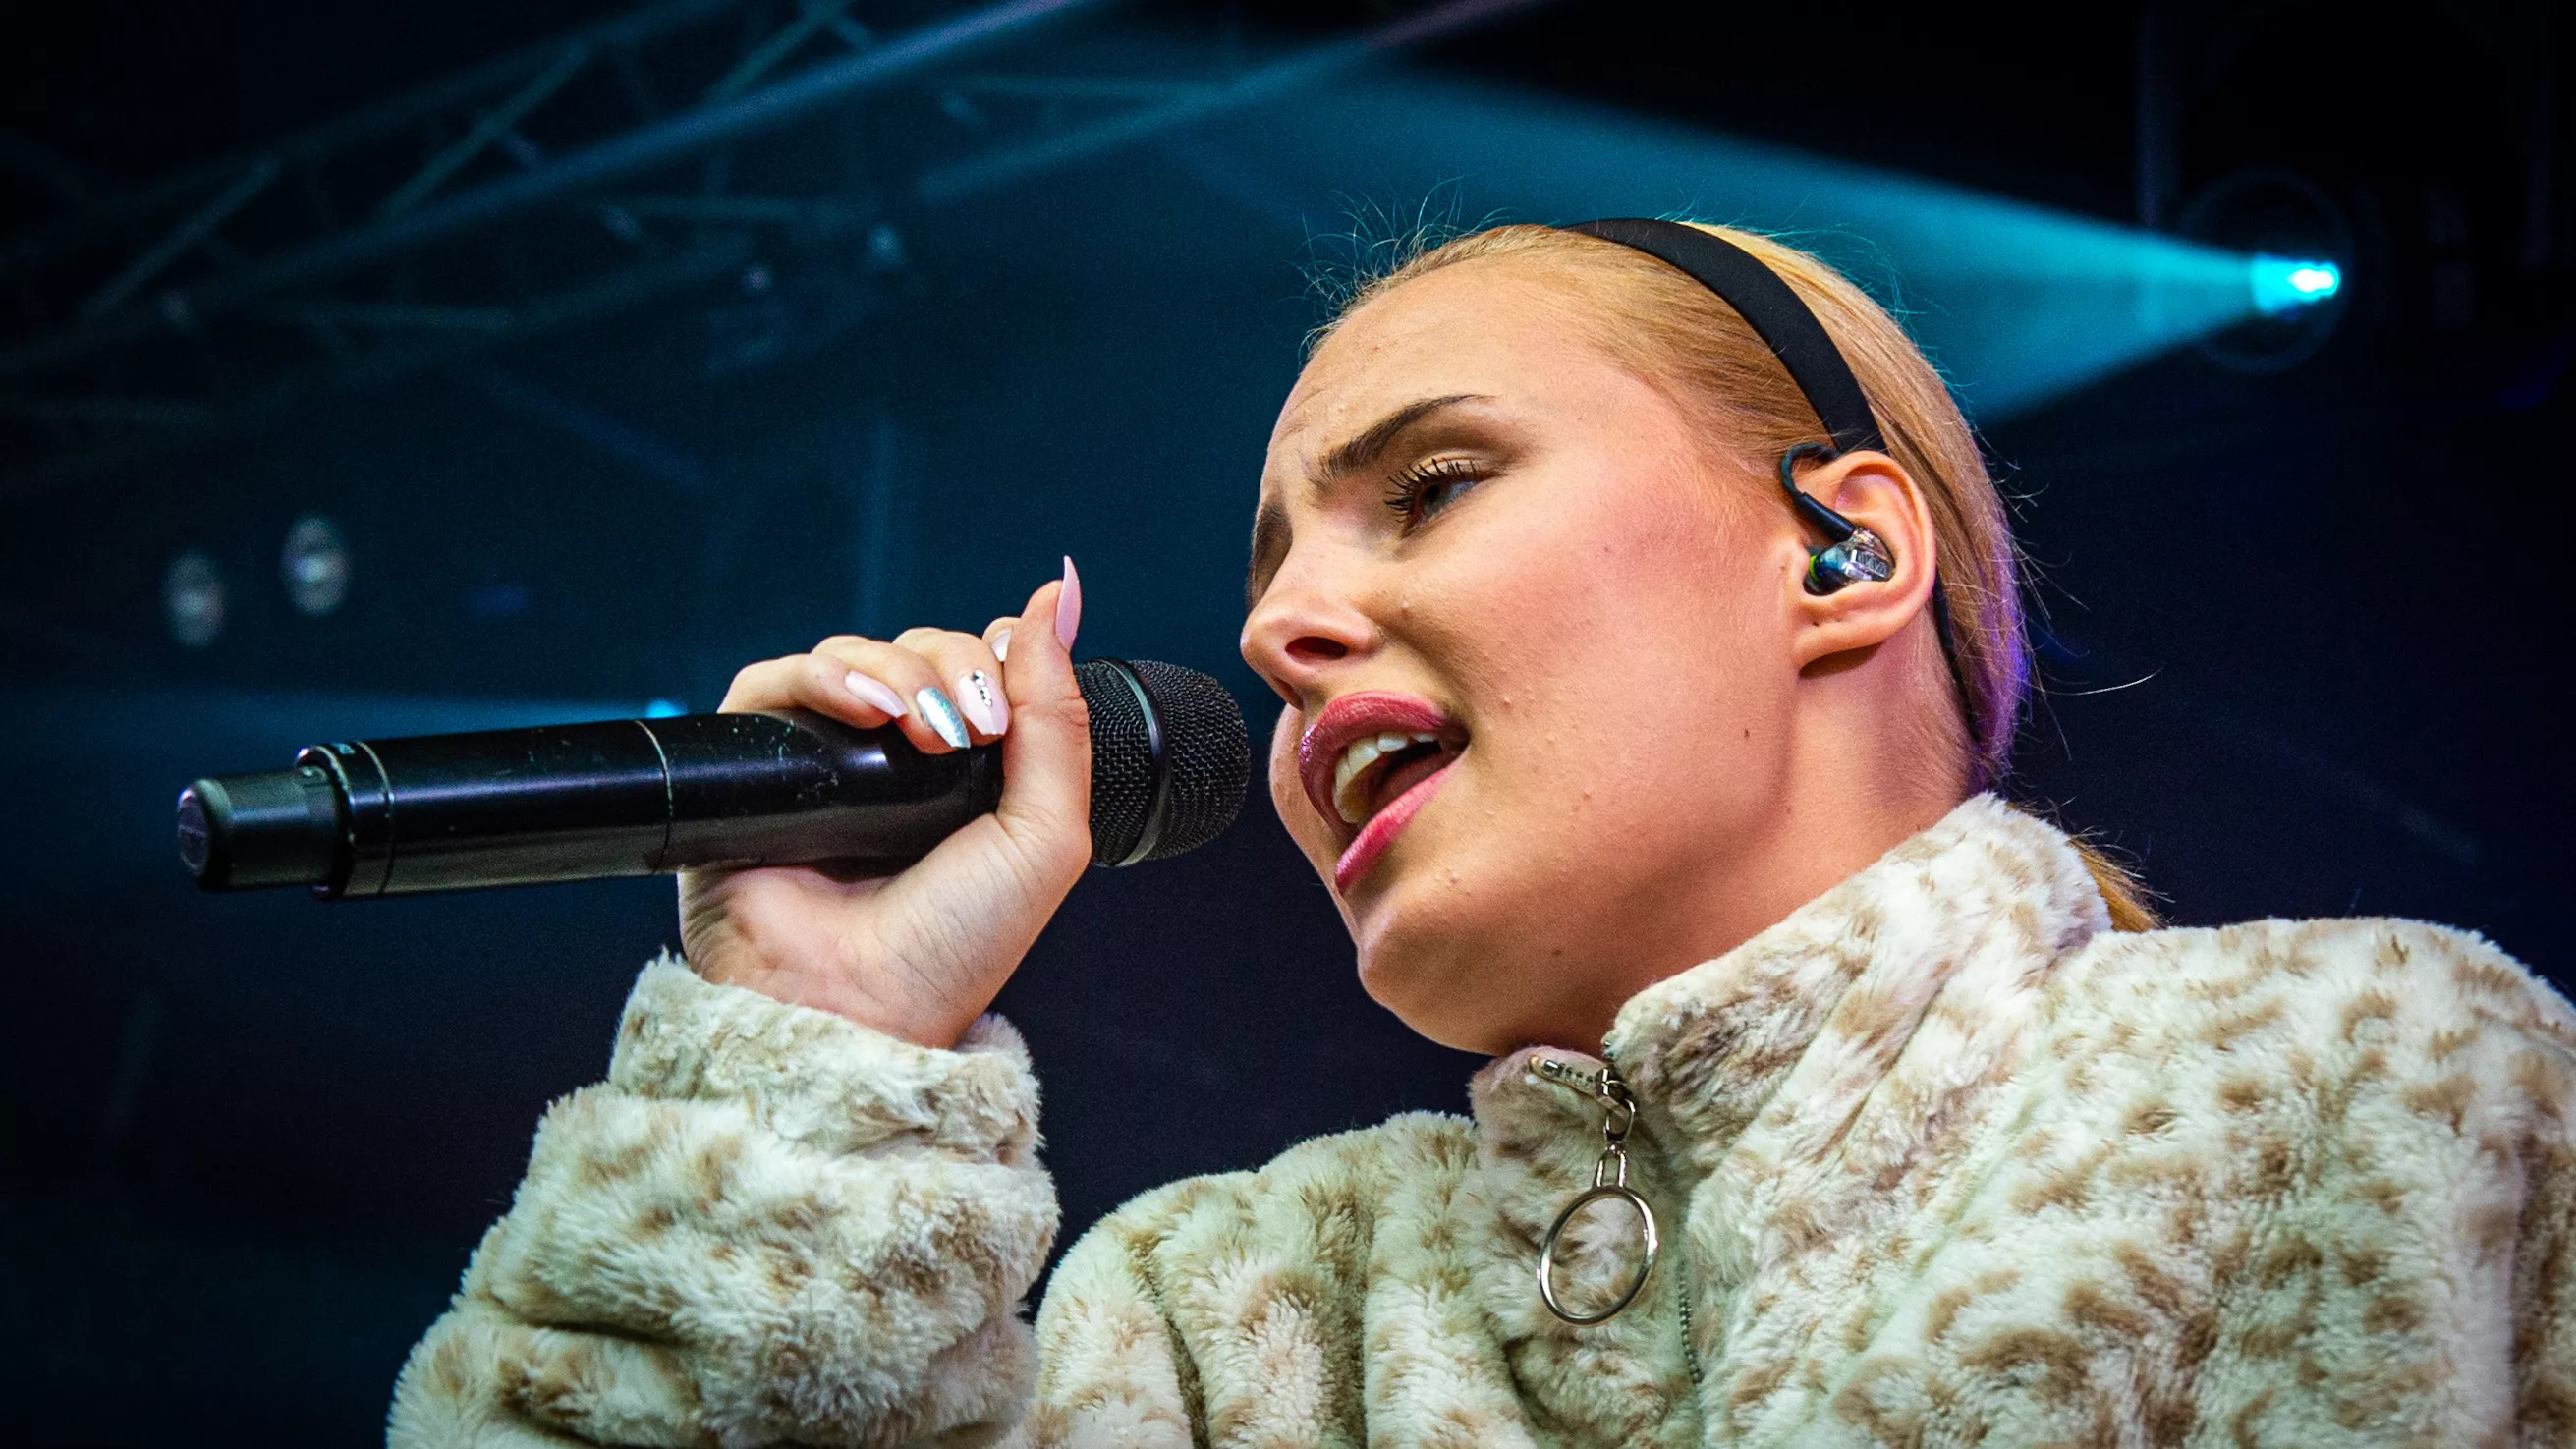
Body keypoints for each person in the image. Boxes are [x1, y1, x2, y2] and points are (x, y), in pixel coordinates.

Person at [388, 221, 2576, 1447]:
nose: (1275, 631)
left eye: (1430, 488)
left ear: (1841, 553)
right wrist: (816, 1049)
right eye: (1270, 569)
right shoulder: (1228, 1320)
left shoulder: (2375, 1089)